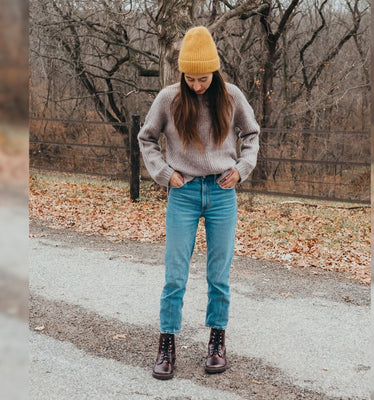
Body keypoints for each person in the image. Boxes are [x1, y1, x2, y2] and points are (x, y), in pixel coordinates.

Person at [138, 26, 260, 380]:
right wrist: (163, 173)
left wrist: (242, 168)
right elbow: (147, 138)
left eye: (203, 77)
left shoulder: (232, 97)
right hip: (184, 193)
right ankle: (167, 345)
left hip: (222, 193)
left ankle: (217, 342)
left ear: (215, 71)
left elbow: (251, 134)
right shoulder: (168, 99)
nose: (196, 85)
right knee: (175, 274)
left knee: (218, 274)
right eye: (190, 78)